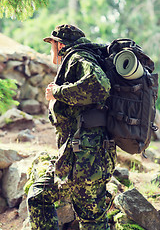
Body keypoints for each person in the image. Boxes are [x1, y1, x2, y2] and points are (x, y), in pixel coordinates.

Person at [27, 24, 117, 230]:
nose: (51, 49)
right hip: (88, 155)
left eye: (51, 44)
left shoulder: (78, 58)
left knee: (40, 198)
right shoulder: (81, 58)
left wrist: (58, 92)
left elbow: (100, 85)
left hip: (84, 158)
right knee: (92, 220)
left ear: (59, 45)